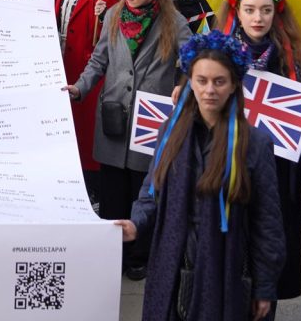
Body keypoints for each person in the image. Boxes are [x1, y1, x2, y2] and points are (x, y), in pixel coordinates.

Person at [116, 31, 286, 321]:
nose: (210, 90)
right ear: (190, 82)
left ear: (234, 85)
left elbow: (267, 223)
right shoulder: (170, 132)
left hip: (226, 267)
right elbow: (151, 190)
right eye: (202, 81)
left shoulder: (254, 144)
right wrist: (135, 223)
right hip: (173, 262)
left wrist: (265, 288)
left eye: (219, 81)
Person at [65, 0, 192, 280]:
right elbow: (98, 60)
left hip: (150, 122)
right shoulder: (114, 16)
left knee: (143, 189)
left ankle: (139, 254)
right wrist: (79, 88)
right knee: (112, 191)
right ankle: (111, 252)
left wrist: (183, 84)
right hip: (113, 115)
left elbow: (194, 61)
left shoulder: (173, 23)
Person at [215, 0, 301, 317]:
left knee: (267, 245)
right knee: (229, 249)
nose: (258, 18)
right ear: (239, 11)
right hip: (229, 166)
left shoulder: (293, 59)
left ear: (276, 14)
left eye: (265, 10)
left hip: (278, 175)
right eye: (250, 9)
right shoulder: (218, 55)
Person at [54, 0, 120, 197]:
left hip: (86, 65)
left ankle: (91, 187)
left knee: (85, 127)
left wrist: (106, 14)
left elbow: (114, 31)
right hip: (61, 61)